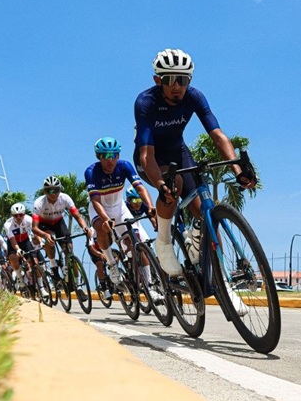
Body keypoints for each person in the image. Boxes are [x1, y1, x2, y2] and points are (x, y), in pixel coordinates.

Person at [133, 48, 255, 280]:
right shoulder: (145, 102)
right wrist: (160, 184)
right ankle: (164, 243)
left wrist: (237, 169)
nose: (177, 86)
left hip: (178, 152)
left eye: (183, 79)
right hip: (151, 156)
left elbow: (218, 136)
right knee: (174, 181)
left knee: (205, 213)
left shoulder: (194, 97)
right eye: (170, 80)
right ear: (158, 80)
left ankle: (221, 283)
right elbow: (146, 156)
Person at [85, 137, 160, 300]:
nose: (110, 160)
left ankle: (149, 286)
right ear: (99, 157)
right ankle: (112, 264)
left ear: (118, 156)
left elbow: (140, 188)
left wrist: (150, 207)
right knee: (101, 228)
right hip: (99, 209)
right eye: (105, 155)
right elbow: (95, 201)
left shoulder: (124, 166)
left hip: (120, 208)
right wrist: (105, 219)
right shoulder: (91, 172)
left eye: (114, 155)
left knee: (137, 243)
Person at [32, 175, 92, 285]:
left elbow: (77, 216)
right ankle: (53, 266)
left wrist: (85, 227)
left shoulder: (65, 198)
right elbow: (34, 228)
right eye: (49, 190)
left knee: (69, 250)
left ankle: (78, 284)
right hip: (45, 225)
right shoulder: (39, 203)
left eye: (56, 190)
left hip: (58, 223)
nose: (53, 193)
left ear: (60, 190)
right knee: (50, 239)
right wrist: (45, 236)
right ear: (45, 192)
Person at [4, 202, 48, 298]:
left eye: (21, 215)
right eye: (16, 215)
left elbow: (35, 232)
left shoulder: (28, 219)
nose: (18, 217)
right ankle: (20, 279)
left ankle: (41, 288)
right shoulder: (8, 224)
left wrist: (40, 242)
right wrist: (18, 250)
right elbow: (12, 241)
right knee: (13, 257)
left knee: (36, 263)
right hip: (14, 243)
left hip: (25, 241)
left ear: (24, 214)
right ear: (12, 215)